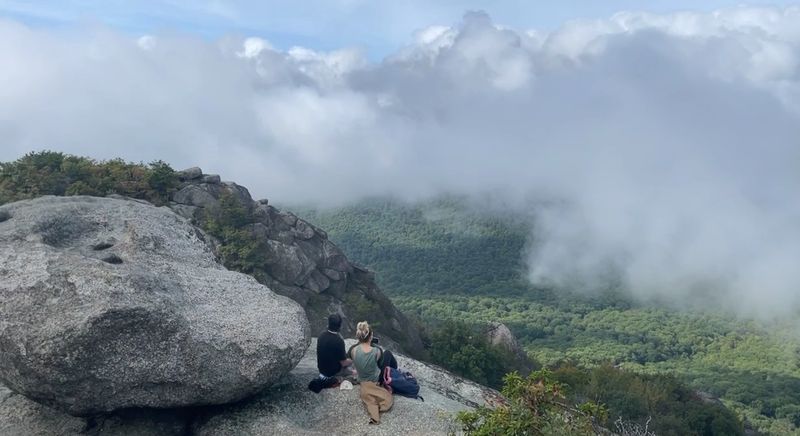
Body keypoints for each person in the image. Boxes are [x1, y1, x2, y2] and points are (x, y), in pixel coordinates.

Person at [351, 321, 393, 424]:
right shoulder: (377, 351)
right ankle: (394, 371)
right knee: (388, 353)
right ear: (370, 336)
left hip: (362, 379)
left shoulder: (353, 350)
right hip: (375, 379)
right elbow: (379, 364)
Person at [316, 314, 353, 382]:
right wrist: (353, 360)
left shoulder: (321, 336)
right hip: (333, 372)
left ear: (328, 323)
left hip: (322, 370)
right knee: (353, 367)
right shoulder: (338, 340)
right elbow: (343, 363)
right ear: (340, 326)